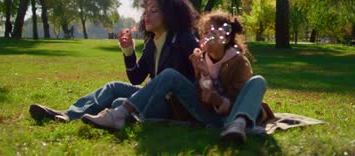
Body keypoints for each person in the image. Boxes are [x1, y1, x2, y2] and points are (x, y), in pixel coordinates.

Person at [81, 11, 272, 143]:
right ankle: (116, 113)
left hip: (229, 117)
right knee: (127, 93)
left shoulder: (238, 63)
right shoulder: (199, 58)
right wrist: (203, 73)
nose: (206, 36)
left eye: (212, 32)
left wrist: (215, 96)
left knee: (258, 81)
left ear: (227, 38)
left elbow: (236, 101)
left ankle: (237, 127)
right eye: (204, 32)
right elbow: (202, 101)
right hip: (204, 114)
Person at [29, 0, 199, 122]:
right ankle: (68, 114)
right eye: (145, 12)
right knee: (113, 87)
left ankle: (118, 115)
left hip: (171, 103)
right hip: (151, 97)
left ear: (170, 14)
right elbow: (136, 78)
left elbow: (200, 75)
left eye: (153, 11)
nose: (147, 16)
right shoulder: (151, 44)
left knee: (119, 102)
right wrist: (128, 51)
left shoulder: (184, 39)